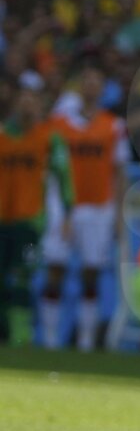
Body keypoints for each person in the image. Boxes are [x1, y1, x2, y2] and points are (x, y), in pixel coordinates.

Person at [39, 63, 129, 351]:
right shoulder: (58, 124)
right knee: (56, 268)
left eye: (97, 81)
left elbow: (120, 172)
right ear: (79, 86)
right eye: (86, 79)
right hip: (64, 205)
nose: (91, 85)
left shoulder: (113, 126)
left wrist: (118, 214)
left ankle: (86, 341)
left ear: (103, 88)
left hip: (98, 207)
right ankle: (50, 339)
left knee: (91, 272)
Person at [0, 82, 73, 346]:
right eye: (23, 98)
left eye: (32, 99)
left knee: (23, 275)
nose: (27, 104)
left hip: (31, 221)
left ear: (40, 105)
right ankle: (6, 332)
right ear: (15, 103)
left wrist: (67, 214)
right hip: (1, 220)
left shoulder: (50, 138)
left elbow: (64, 177)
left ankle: (21, 335)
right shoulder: (2, 136)